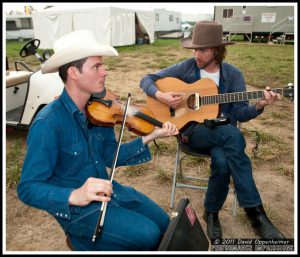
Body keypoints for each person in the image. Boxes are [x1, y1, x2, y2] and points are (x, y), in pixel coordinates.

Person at [17, 30, 179, 251]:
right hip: (79, 211)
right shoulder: (48, 124)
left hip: (110, 191)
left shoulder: (98, 112)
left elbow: (111, 157)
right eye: (96, 67)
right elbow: (28, 188)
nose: (105, 72)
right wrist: (75, 194)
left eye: (103, 66)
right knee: (148, 235)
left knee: (164, 224)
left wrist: (151, 136)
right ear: (73, 73)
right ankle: (81, 241)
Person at [140, 21, 285, 240]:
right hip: (191, 131)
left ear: (217, 50)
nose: (197, 54)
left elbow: (240, 114)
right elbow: (147, 79)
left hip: (223, 136)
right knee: (233, 135)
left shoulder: (233, 75)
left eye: (203, 50)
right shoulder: (187, 67)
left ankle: (211, 213)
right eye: (195, 49)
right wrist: (161, 96)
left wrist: (260, 105)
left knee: (224, 158)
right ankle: (256, 215)